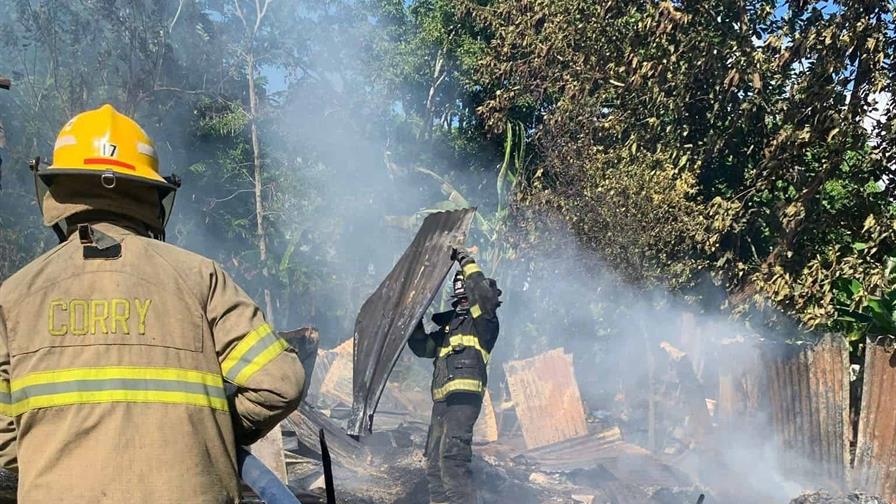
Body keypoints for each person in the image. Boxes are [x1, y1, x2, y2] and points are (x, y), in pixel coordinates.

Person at [0, 104, 304, 503]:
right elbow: (281, 383)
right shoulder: (201, 278)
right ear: (151, 195)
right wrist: (207, 434)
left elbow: (5, 443)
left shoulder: (14, 296)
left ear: (58, 190)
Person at [408, 248, 502, 504]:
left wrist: (465, 260)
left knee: (452, 461)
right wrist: (412, 323)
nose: (463, 293)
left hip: (463, 401)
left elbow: (481, 293)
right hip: (442, 402)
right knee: (434, 466)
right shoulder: (448, 329)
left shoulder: (484, 323)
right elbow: (423, 348)